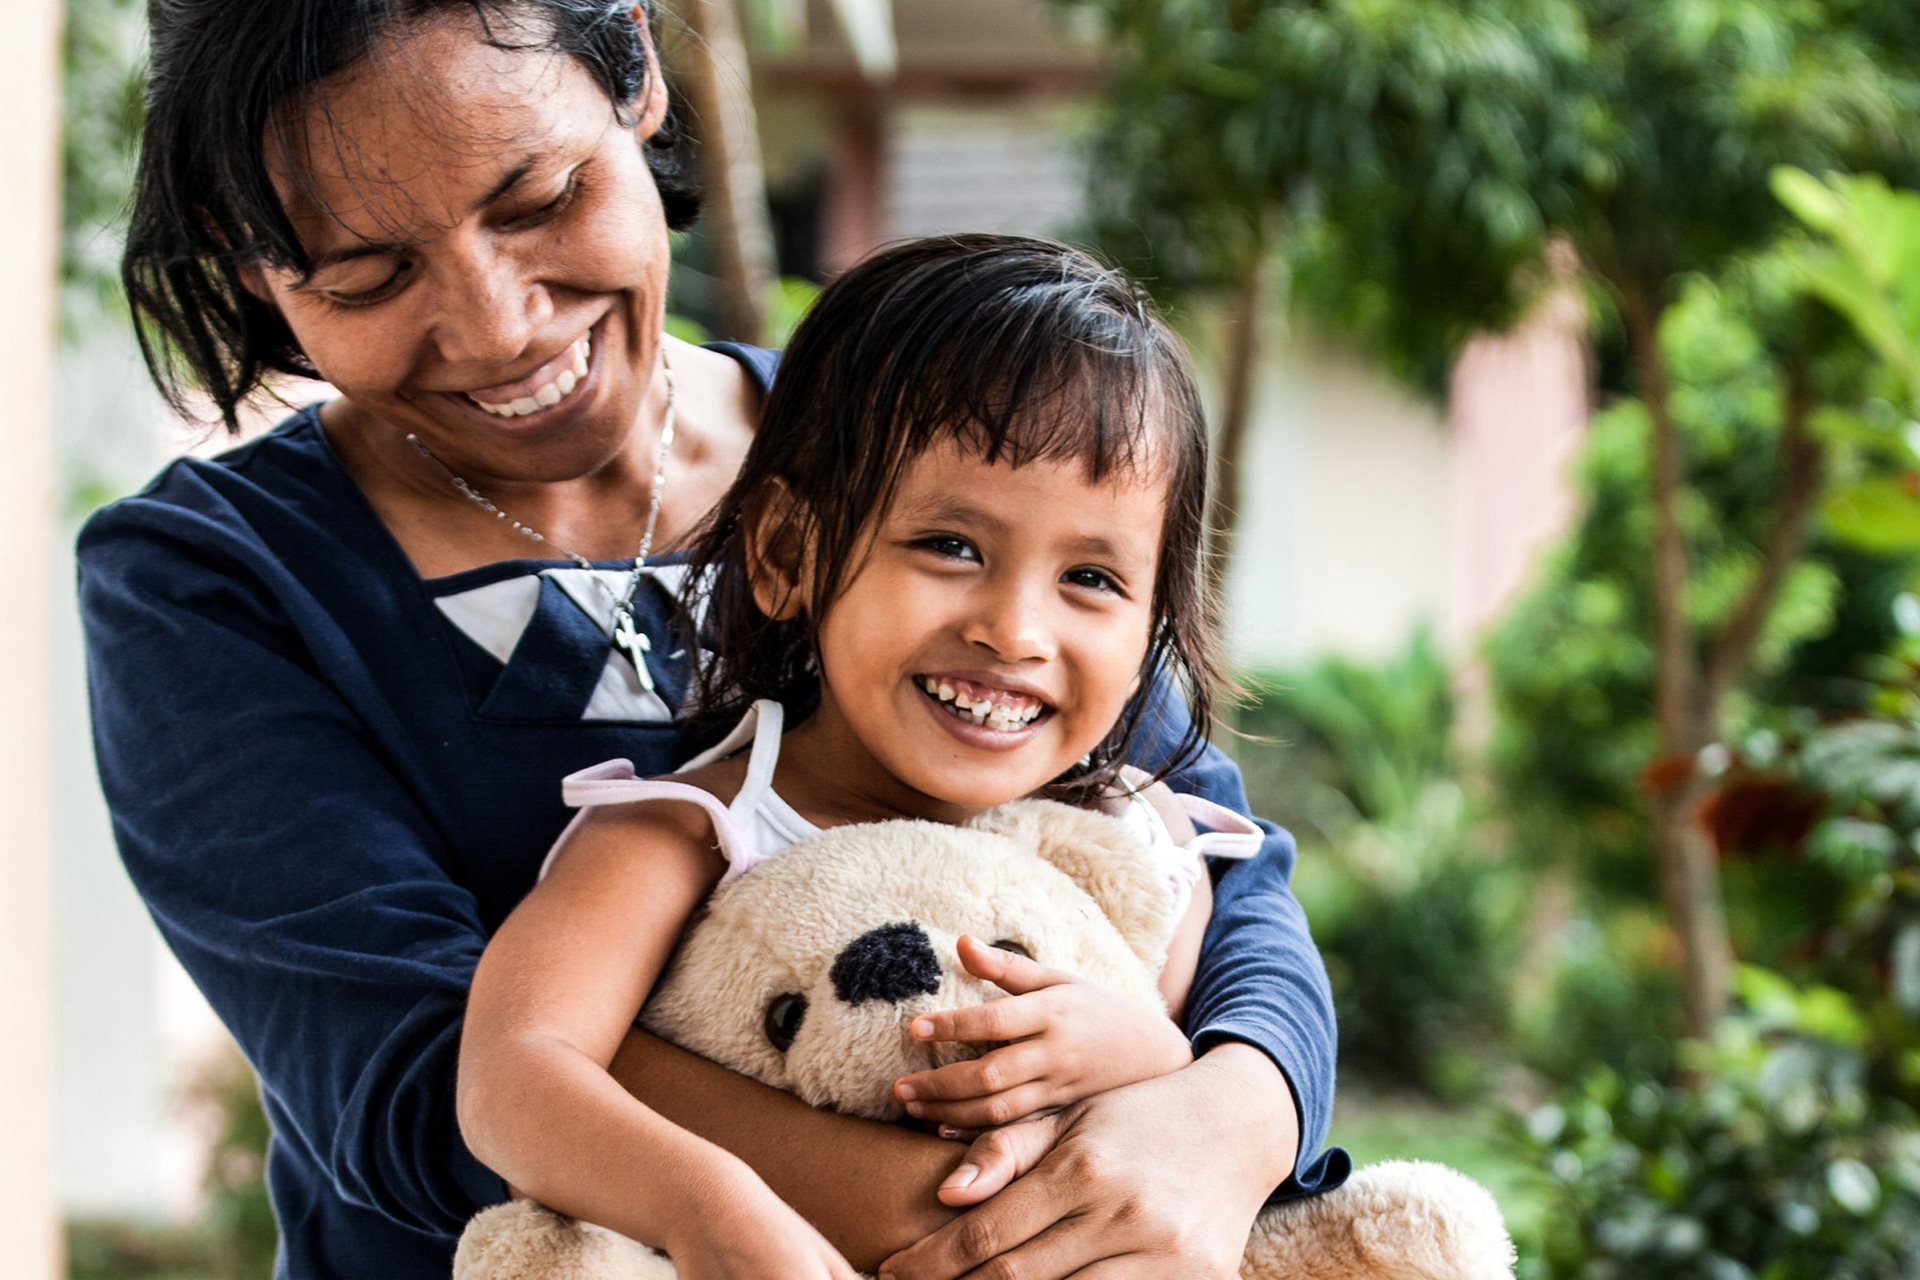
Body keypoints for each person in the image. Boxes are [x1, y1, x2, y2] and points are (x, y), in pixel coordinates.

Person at [80, 3, 1348, 1278]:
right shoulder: (217, 578)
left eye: (538, 199)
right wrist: (989, 1223)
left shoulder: (927, 452)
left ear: (634, 67)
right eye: (368, 273)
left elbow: (1216, 874)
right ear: (246, 260)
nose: (498, 323)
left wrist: (1222, 1121)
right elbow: (421, 1072)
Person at [458, 233, 1272, 1276]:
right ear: (789, 551)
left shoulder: (1138, 847)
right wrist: (712, 1206)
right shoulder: (691, 828)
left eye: (1092, 579)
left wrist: (1155, 1055)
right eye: (952, 546)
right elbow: (512, 1072)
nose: (1016, 629)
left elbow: (1176, 1090)